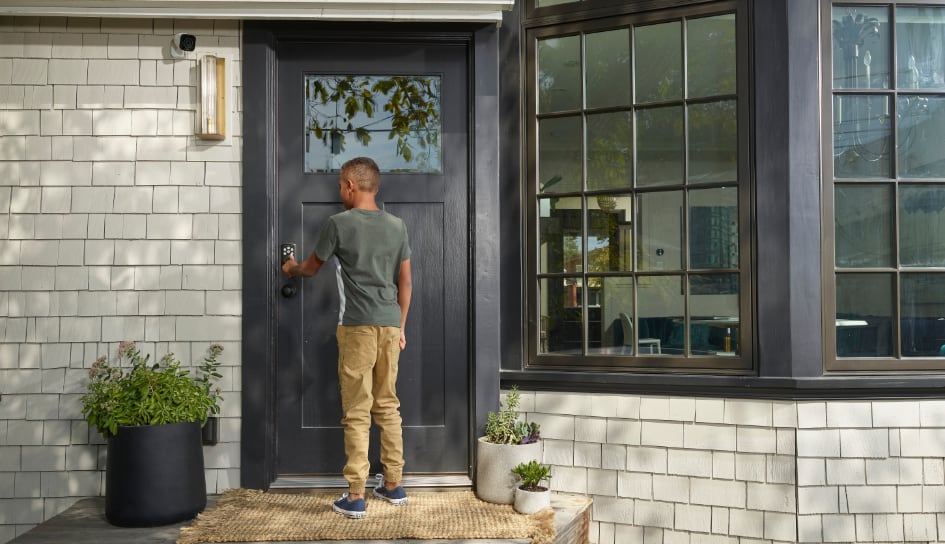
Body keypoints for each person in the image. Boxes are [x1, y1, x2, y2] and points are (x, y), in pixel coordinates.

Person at [281, 156, 412, 519]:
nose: (340, 191)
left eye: (341, 185)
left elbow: (310, 267)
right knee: (387, 405)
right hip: (389, 327)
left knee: (357, 409)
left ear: (352, 186)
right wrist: (401, 327)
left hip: (357, 326)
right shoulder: (397, 226)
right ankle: (393, 485)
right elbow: (406, 283)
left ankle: (355, 495)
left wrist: (291, 267)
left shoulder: (338, 224)